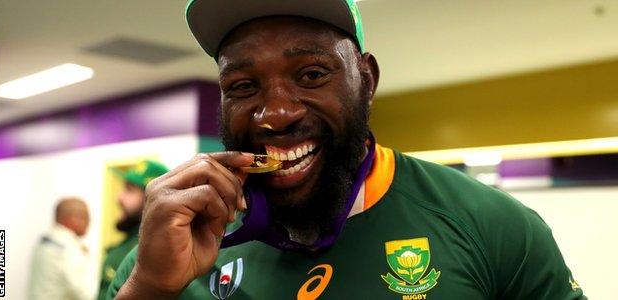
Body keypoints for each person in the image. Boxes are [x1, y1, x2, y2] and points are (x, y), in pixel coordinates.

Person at [108, 1, 586, 299]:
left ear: (367, 81)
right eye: (244, 85)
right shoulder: (168, 248)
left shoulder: (490, 225)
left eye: (312, 75)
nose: (274, 113)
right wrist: (149, 290)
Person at [97, 160, 168, 299]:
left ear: (153, 199)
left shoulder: (156, 252)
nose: (119, 198)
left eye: (129, 190)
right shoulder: (120, 248)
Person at [29, 197, 96, 300]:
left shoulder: (44, 242)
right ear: (70, 219)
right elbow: (85, 294)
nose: (89, 221)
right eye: (85, 216)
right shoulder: (68, 249)